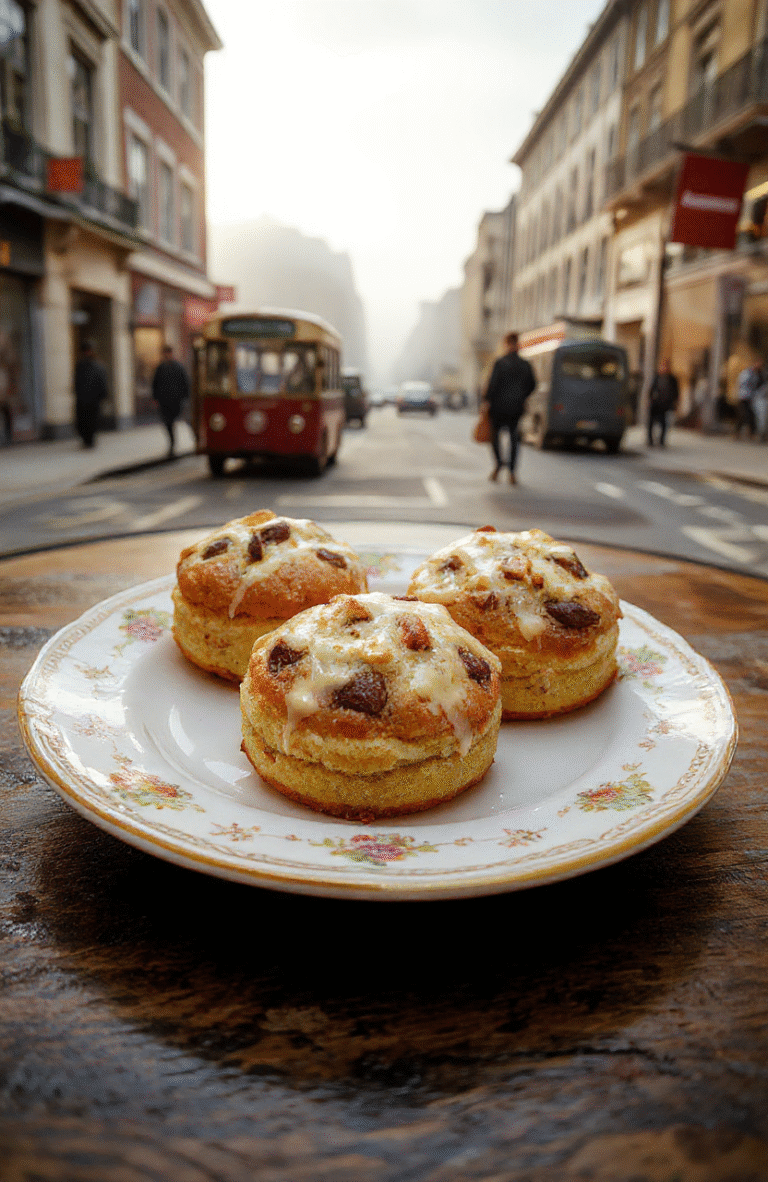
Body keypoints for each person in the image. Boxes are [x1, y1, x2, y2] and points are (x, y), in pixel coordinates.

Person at [482, 331, 536, 485]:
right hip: (516, 408)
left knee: (495, 438)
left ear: (506, 344)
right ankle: (512, 472)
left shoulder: (500, 363)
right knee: (513, 439)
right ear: (518, 344)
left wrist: (486, 400)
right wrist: (522, 396)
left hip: (498, 408)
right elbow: (533, 384)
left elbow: (492, 385)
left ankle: (499, 464)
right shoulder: (525, 364)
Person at [152, 344, 190, 456]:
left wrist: (185, 398)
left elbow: (185, 383)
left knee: (185, 421)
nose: (167, 355)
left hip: (176, 400)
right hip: (164, 401)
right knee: (168, 423)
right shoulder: (160, 368)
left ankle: (194, 438)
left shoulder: (178, 367)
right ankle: (172, 443)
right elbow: (155, 384)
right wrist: (155, 398)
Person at [74, 339, 108, 449]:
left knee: (92, 421)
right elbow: (77, 382)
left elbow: (102, 382)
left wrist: (102, 396)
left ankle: (90, 440)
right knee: (83, 422)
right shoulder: (81, 365)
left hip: (93, 400)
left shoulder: (97, 366)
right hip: (84, 400)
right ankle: (86, 440)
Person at [647, 359, 679, 447]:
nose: (664, 368)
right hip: (656, 404)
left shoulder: (672, 379)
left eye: (666, 366)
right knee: (651, 422)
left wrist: (675, 403)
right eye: (663, 366)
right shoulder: (656, 377)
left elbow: (676, 392)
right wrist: (650, 400)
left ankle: (661, 440)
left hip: (665, 404)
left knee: (664, 423)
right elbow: (651, 390)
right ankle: (650, 440)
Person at [735, 363, 760, 439]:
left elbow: (754, 386)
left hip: (750, 397)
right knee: (743, 415)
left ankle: (751, 433)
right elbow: (742, 383)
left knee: (751, 415)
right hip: (743, 397)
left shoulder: (755, 375)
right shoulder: (746, 373)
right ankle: (737, 433)